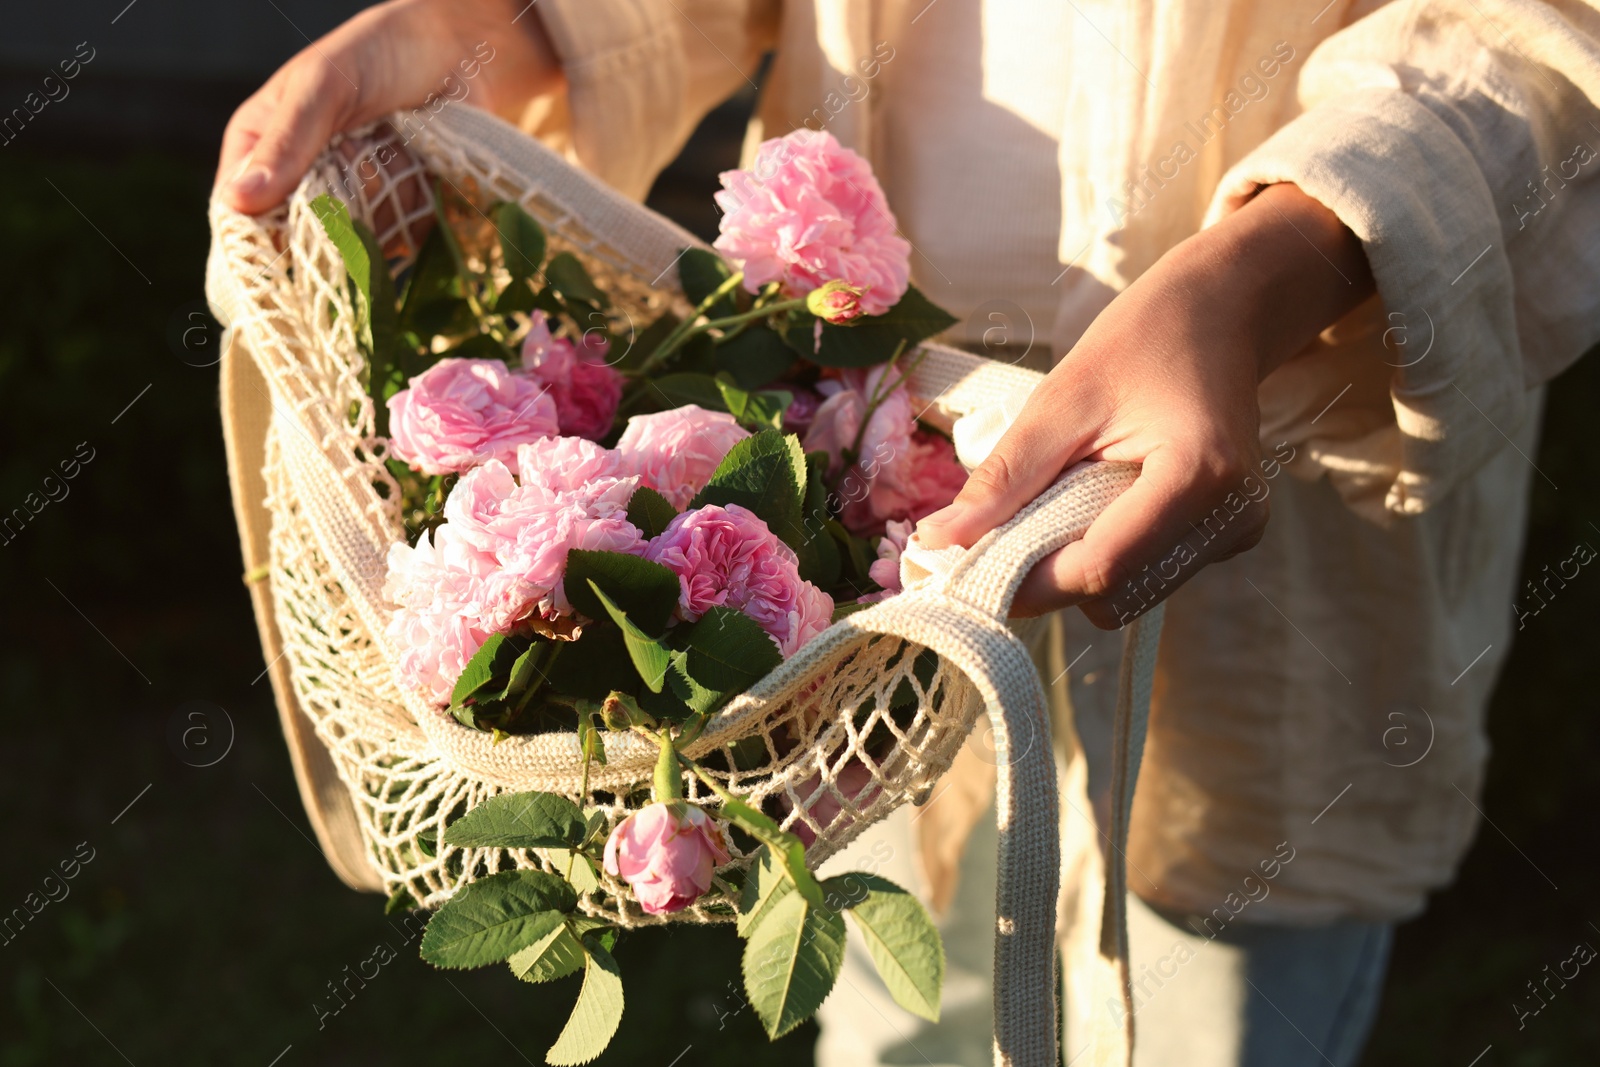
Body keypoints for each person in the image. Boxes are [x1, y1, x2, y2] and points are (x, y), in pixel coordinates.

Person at [216, 2, 1600, 1064]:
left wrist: (1264, 275)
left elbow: (1542, 42)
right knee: (892, 1003)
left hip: (1265, 545)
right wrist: (477, 28)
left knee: (1210, 1007)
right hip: (839, 588)